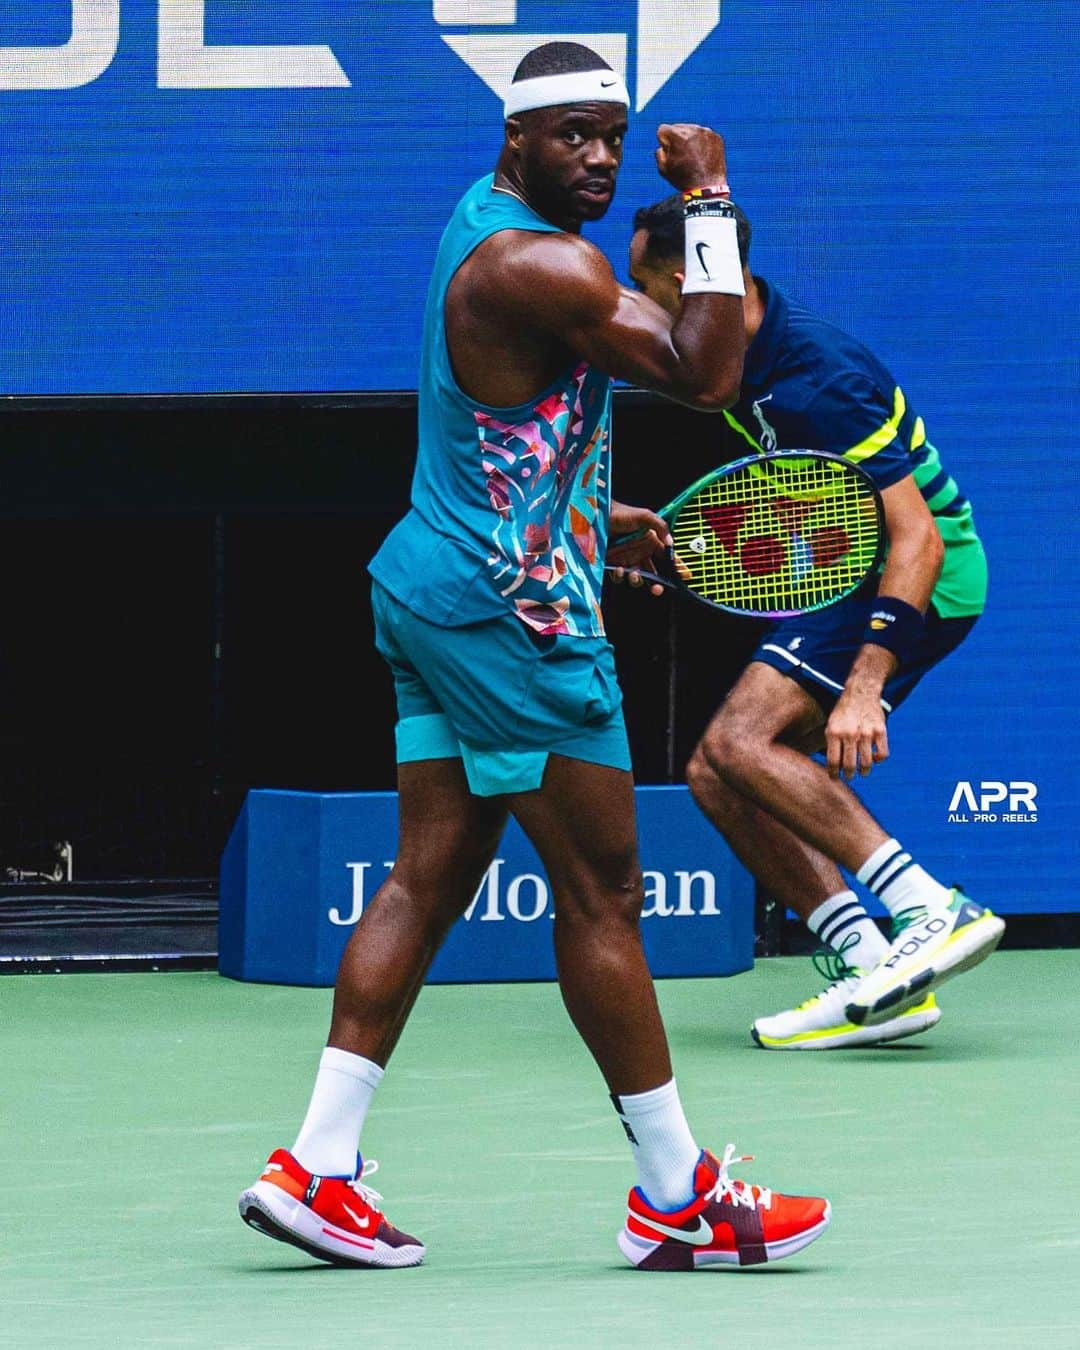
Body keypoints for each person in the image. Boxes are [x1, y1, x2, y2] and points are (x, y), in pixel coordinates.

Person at [238, 43, 830, 1271]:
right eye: (572, 136)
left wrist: (582, 515)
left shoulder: (486, 228)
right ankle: (675, 1194)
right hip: (510, 621)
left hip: (434, 581)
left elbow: (503, 413)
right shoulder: (539, 262)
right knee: (604, 889)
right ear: (515, 141)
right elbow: (708, 371)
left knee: (429, 875)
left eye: (612, 135)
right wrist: (712, 205)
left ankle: (316, 1166)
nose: (602, 158)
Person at [626, 193, 1004, 1050]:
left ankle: (928, 907)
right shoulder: (736, 362)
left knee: (740, 745)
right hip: (867, 562)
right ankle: (871, 962)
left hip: (924, 577)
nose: (635, 302)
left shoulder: (814, 377)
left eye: (641, 283)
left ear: (687, 282)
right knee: (716, 772)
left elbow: (921, 540)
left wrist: (865, 686)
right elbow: (821, 496)